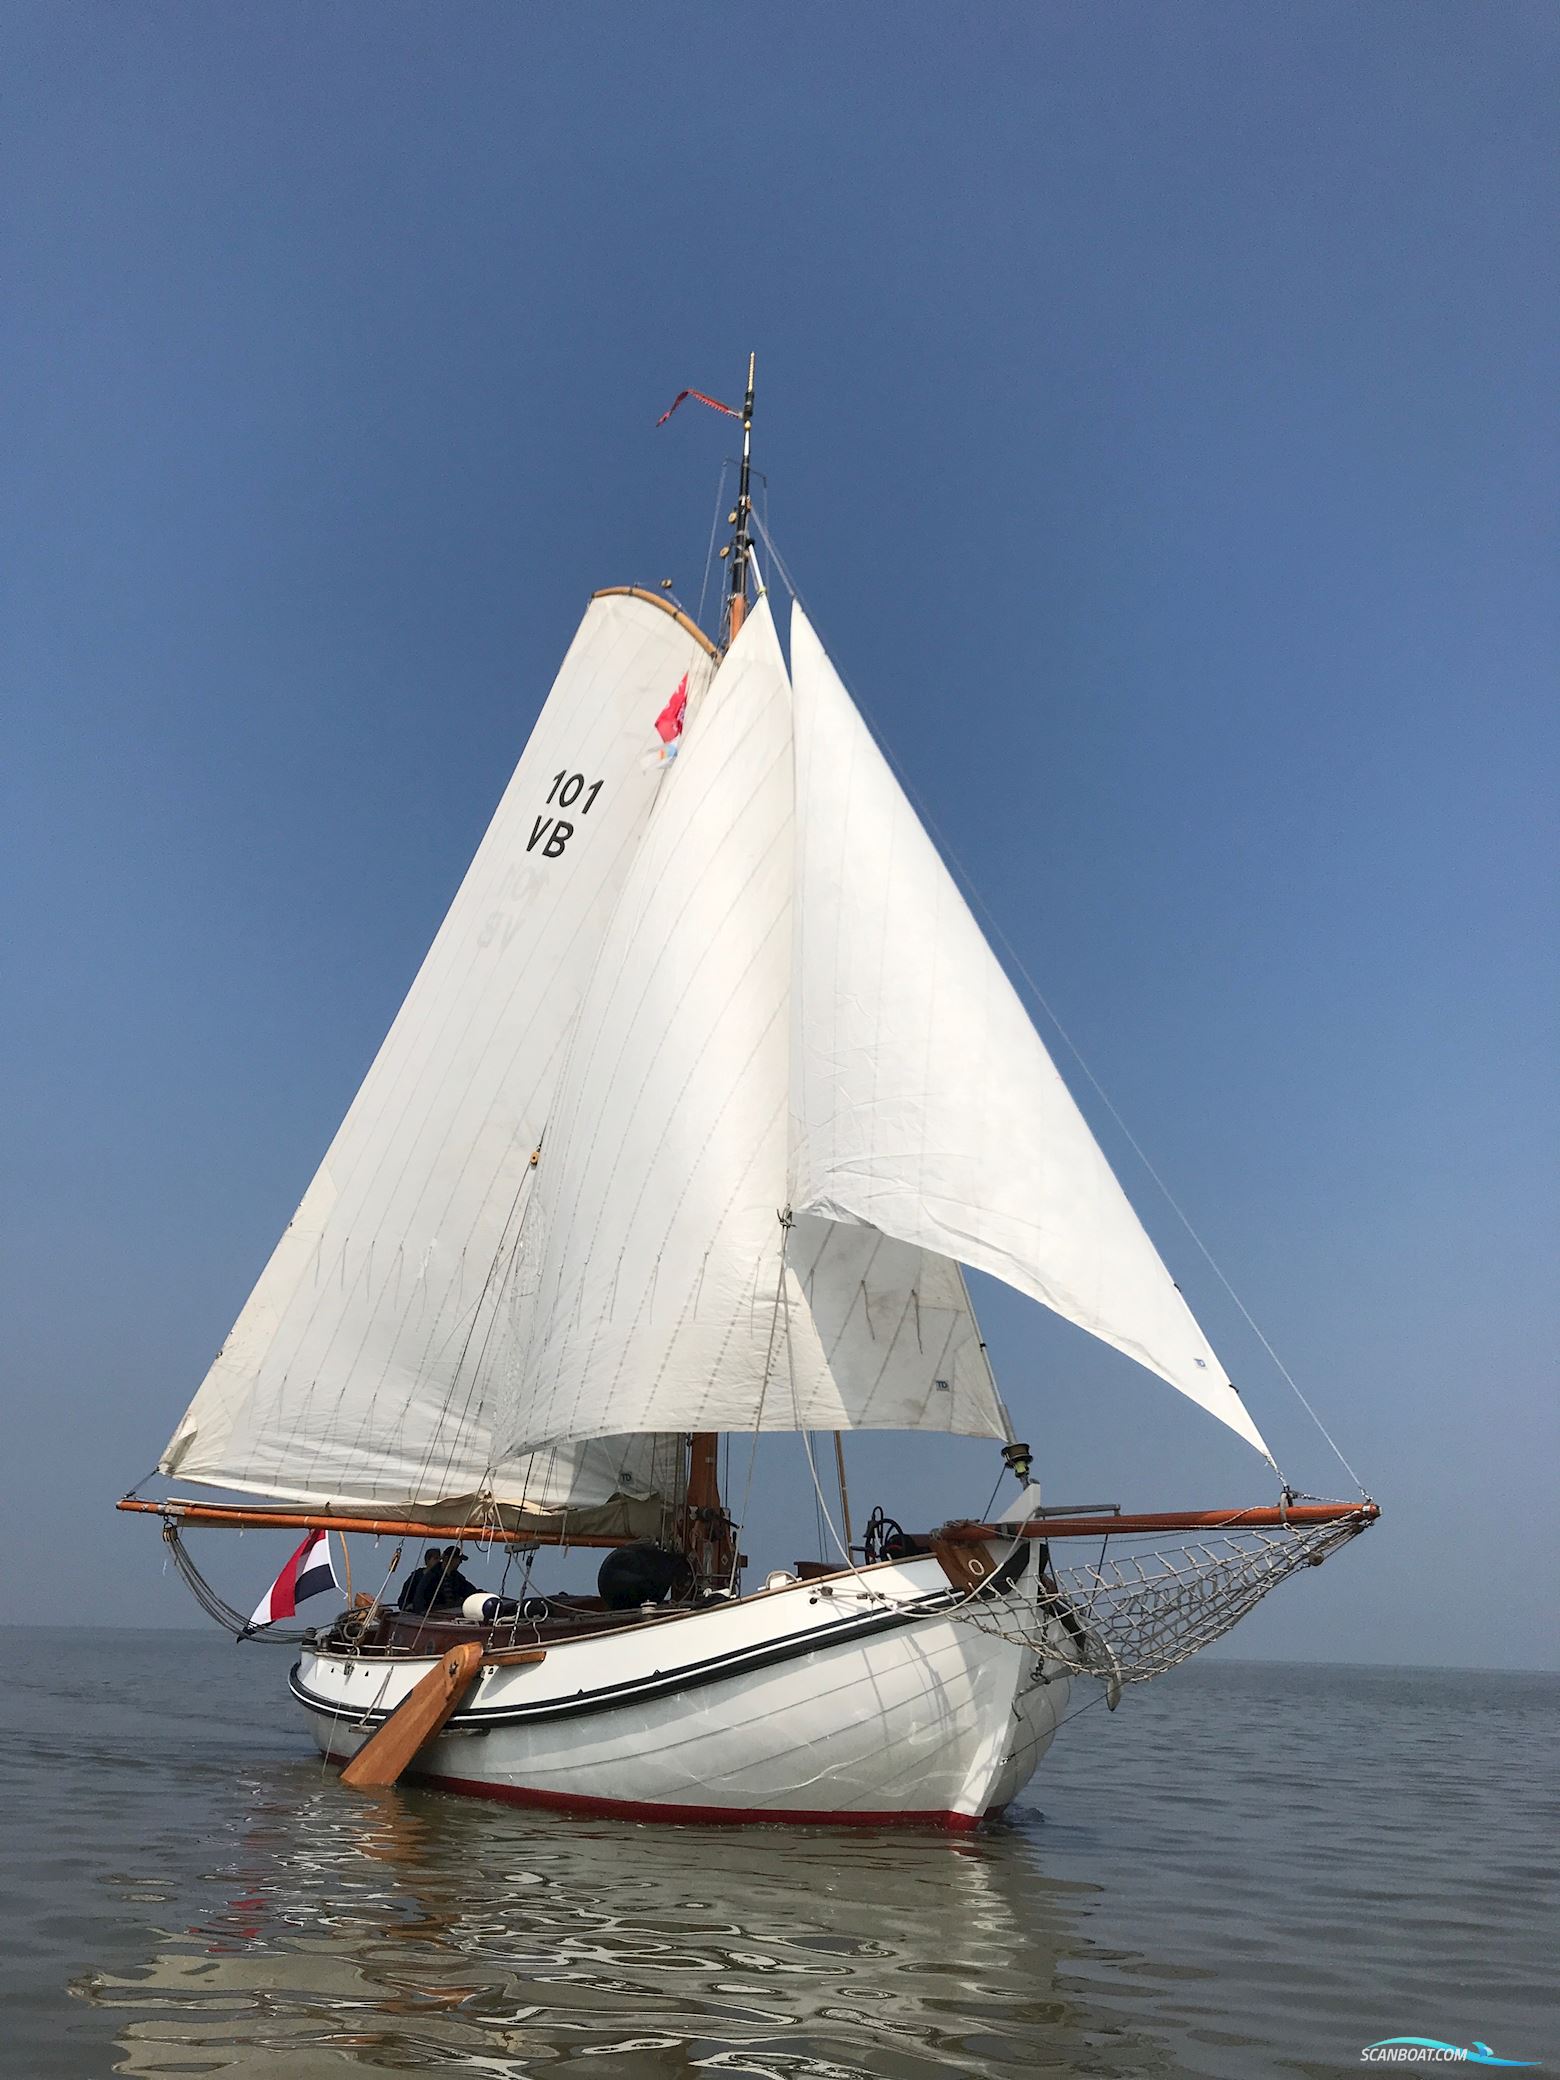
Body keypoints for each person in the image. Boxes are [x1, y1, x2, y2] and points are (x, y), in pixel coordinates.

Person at [396, 1548, 443, 1614]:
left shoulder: (441, 1577)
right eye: (436, 1558)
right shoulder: (416, 1577)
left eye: (440, 1559)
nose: (439, 1561)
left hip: (435, 1612)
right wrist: (407, 1606)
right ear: (428, 1560)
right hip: (416, 1612)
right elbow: (404, 1595)